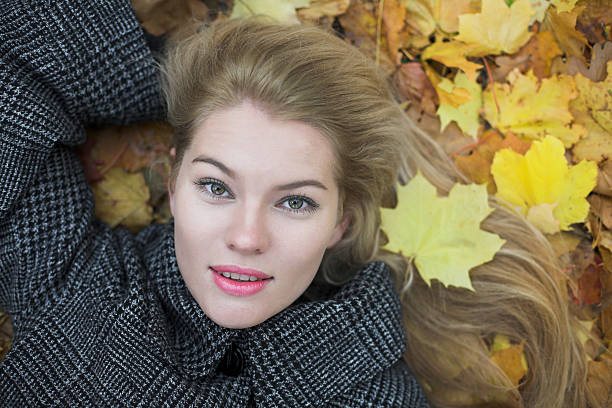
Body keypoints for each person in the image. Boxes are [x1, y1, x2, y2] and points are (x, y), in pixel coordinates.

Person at [0, 1, 593, 408]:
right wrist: (184, 77)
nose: (247, 237)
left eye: (295, 203)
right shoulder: (74, 287)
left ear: (341, 222)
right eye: (216, 186)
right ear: (174, 179)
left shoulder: (363, 386)